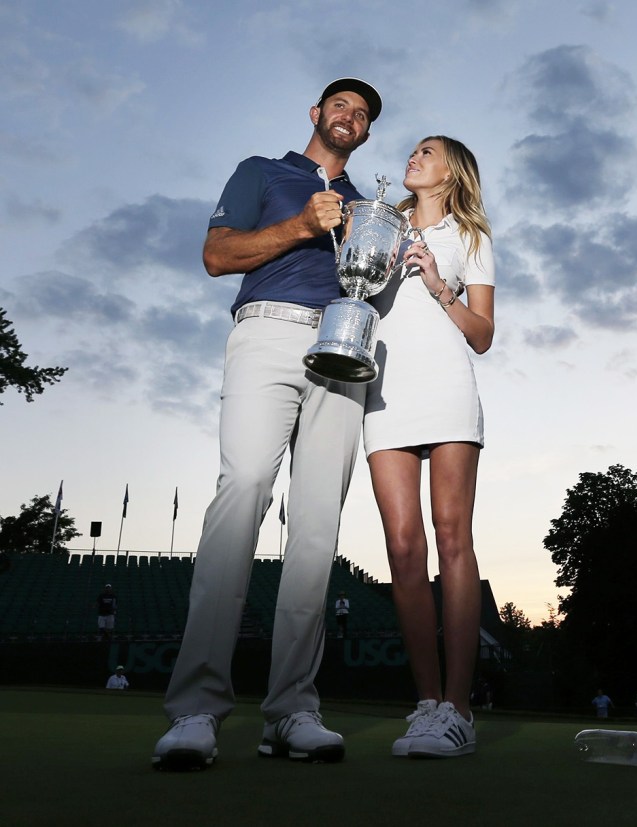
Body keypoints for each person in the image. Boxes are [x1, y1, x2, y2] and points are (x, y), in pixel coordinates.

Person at [152, 78, 382, 770]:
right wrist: (301, 225)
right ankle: (196, 707)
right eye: (340, 105)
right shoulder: (263, 171)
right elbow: (218, 256)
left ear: (366, 134)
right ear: (316, 115)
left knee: (316, 525)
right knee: (245, 487)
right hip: (269, 333)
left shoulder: (372, 207)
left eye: (362, 114)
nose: (350, 116)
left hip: (346, 345)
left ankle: (292, 710)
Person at [363, 136, 495, 758]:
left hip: (446, 391)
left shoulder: (472, 238)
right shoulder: (377, 224)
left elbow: (484, 335)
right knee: (402, 545)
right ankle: (425, 706)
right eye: (412, 151)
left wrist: (440, 285)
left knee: (452, 535)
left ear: (452, 171)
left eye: (427, 151)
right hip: (384, 393)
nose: (413, 157)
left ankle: (460, 710)